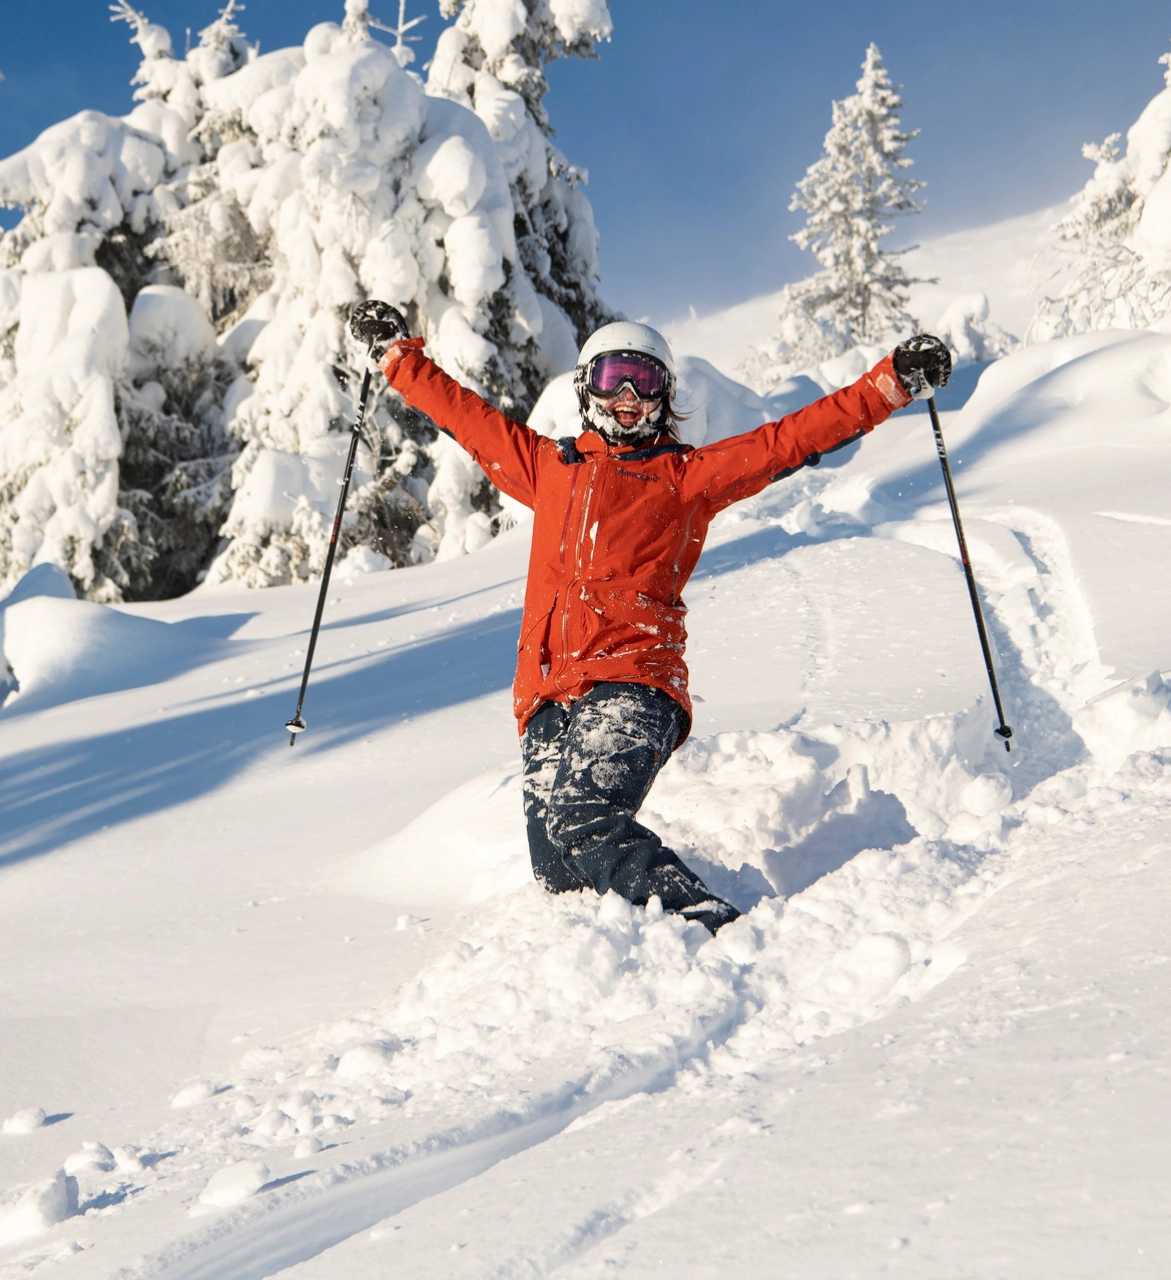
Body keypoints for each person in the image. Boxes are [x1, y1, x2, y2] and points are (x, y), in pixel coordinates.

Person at [351, 302, 951, 932]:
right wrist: (396, 356)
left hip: (636, 682)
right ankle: (643, 948)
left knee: (583, 820)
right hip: (548, 696)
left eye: (646, 380)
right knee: (558, 866)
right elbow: (461, 414)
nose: (630, 395)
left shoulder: (685, 478)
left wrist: (890, 384)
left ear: (666, 394)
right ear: (588, 388)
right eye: (613, 378)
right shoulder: (546, 469)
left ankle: (715, 925)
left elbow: (793, 438)